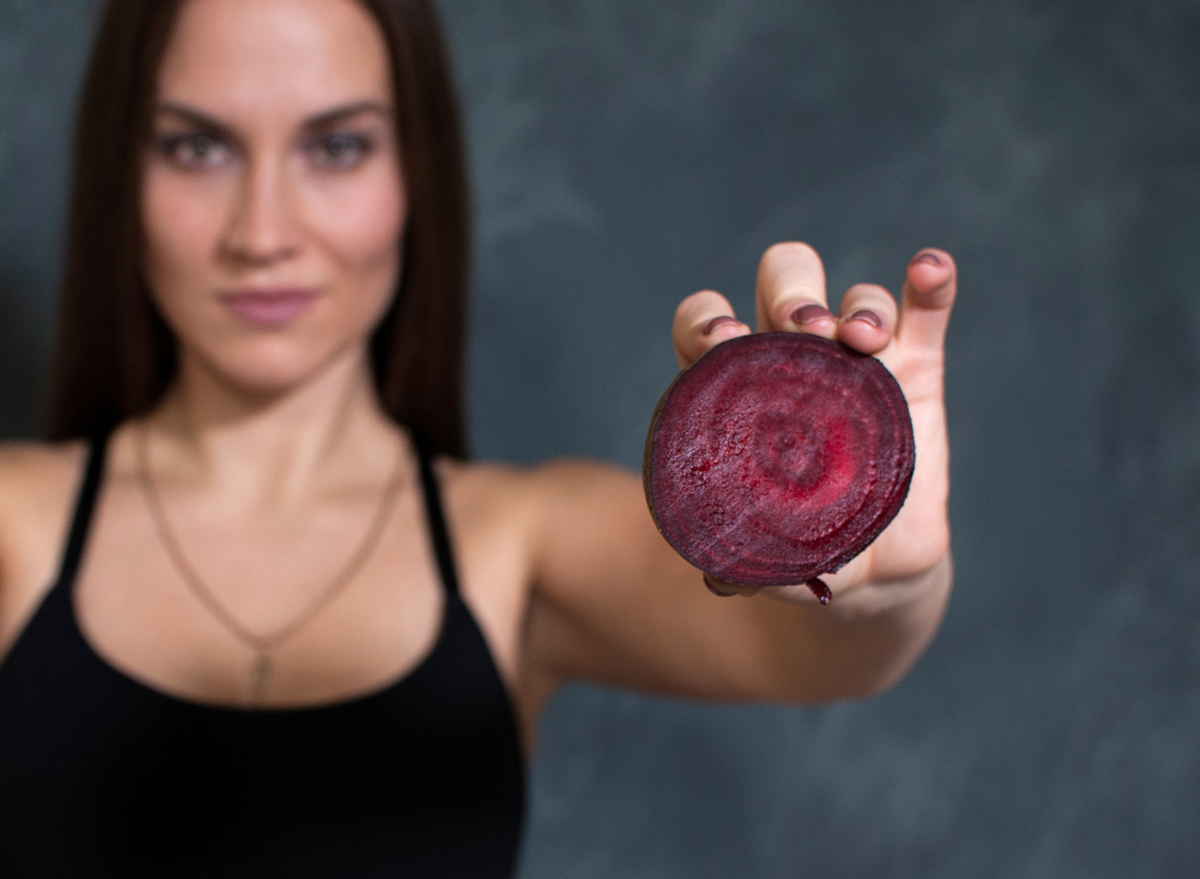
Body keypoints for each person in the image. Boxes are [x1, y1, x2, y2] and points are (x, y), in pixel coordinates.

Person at [0, 0, 956, 875]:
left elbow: (808, 656)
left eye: (335, 147)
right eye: (197, 147)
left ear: (417, 172)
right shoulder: (14, 523)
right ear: (120, 170)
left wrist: (882, 576)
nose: (262, 230)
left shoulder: (518, 545)